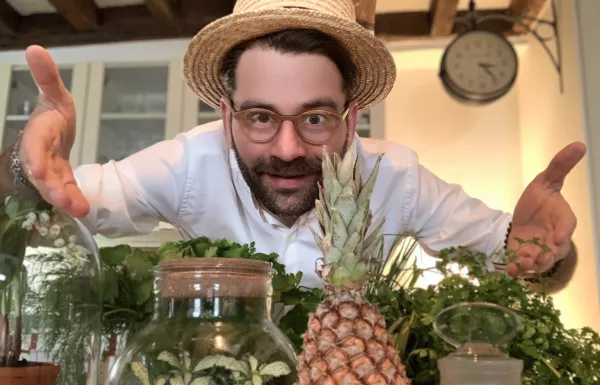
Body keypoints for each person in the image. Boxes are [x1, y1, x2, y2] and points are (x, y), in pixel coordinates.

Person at [0, 0, 583, 291]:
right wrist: (23, 168)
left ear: (351, 120)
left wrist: (545, 256)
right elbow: (63, 195)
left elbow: (530, 266)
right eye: (259, 117)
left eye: (315, 118)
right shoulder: (188, 163)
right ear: (225, 116)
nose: (285, 148)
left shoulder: (395, 176)